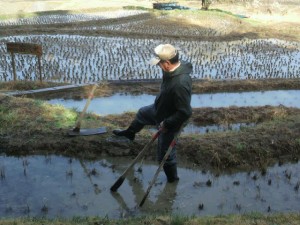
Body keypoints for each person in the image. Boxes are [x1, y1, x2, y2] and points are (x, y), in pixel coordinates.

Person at [113, 43, 193, 183]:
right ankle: (130, 133)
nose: (158, 66)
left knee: (165, 155)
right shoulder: (171, 69)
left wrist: (167, 123)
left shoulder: (180, 84)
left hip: (172, 120)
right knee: (142, 114)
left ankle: (173, 180)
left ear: (167, 63)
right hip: (160, 109)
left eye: (159, 64)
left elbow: (185, 112)